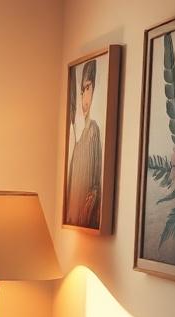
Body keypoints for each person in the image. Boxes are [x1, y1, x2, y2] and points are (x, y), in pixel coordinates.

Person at [67, 59, 102, 228]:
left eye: (88, 88)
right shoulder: (77, 141)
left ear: (94, 89)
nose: (84, 97)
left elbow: (96, 185)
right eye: (82, 91)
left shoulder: (93, 131)